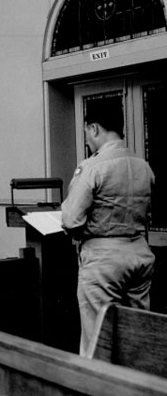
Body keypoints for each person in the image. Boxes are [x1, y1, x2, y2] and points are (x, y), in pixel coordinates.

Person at [61, 98, 155, 355]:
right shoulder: (143, 166)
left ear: (94, 128)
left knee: (97, 342)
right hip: (139, 253)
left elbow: (71, 220)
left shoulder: (92, 166)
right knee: (137, 340)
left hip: (103, 259)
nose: (88, 140)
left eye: (87, 133)